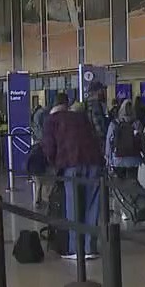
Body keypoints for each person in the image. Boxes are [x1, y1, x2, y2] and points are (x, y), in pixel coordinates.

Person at [42, 92, 103, 259]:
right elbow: (95, 136)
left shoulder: (51, 120)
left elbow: (49, 148)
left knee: (73, 206)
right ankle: (90, 248)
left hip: (71, 164)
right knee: (93, 206)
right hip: (94, 162)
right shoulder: (80, 117)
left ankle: (75, 249)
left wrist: (53, 167)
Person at [105, 99, 143, 180]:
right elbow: (142, 140)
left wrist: (108, 159)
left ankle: (125, 192)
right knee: (133, 182)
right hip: (134, 158)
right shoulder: (137, 123)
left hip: (118, 159)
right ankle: (132, 192)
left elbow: (109, 141)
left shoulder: (114, 123)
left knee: (121, 184)